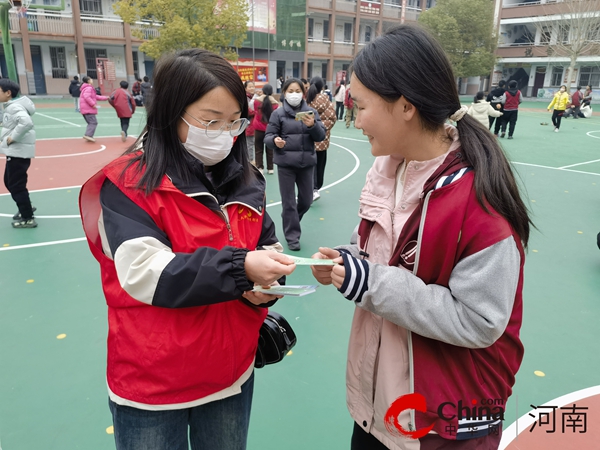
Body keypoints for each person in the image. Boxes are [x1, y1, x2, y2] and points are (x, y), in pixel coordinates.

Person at [310, 24, 530, 450]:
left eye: (362, 105)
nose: (356, 118)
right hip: (378, 409)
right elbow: (385, 257)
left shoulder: (479, 200)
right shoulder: (386, 172)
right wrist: (347, 261)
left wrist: (369, 282)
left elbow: (481, 320)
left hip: (440, 424)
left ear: (406, 106)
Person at [78, 48, 296, 450]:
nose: (224, 134)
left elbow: (265, 243)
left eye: (234, 122)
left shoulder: (245, 180)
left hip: (230, 374)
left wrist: (269, 280)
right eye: (210, 121)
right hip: (154, 384)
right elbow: (147, 273)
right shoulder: (129, 185)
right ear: (170, 114)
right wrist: (242, 268)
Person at [265, 77, 326, 251]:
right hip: (285, 164)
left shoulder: (311, 113)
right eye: (290, 91)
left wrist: (312, 125)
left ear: (303, 93)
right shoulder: (278, 114)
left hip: (306, 164)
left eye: (297, 91)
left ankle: (290, 220)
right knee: (289, 202)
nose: (294, 95)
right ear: (284, 93)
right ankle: (292, 236)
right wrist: (275, 141)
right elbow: (269, 136)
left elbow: (320, 136)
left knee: (306, 200)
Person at [0, 78, 37, 228]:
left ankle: (27, 216)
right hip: (16, 152)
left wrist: (12, 138)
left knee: (16, 185)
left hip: (18, 152)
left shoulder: (14, 108)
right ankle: (25, 207)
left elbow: (26, 123)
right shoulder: (10, 106)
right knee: (9, 182)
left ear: (8, 93)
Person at [307, 76, 337, 201]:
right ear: (322, 87)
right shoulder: (326, 100)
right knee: (320, 164)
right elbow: (332, 117)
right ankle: (316, 187)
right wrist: (322, 129)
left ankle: (311, 189)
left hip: (308, 139)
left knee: (310, 165)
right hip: (322, 140)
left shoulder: (307, 100)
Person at [252, 83, 279, 174]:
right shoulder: (275, 104)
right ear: (272, 92)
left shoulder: (257, 101)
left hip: (258, 129)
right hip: (270, 129)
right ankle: (270, 168)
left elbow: (254, 110)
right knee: (270, 149)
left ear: (262, 91)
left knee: (258, 149)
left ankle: (260, 167)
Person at [79, 76, 109, 143]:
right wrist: (93, 105)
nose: (92, 80)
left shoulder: (86, 88)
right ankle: (88, 135)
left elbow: (95, 96)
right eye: (91, 79)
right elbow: (87, 97)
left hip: (85, 109)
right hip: (88, 109)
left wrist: (106, 98)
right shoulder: (89, 88)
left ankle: (89, 135)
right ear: (88, 81)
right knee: (93, 122)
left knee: (91, 122)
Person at [244, 80, 256, 163]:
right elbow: (248, 111)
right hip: (247, 124)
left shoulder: (253, 97)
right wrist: (257, 112)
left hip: (251, 124)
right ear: (245, 88)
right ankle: (250, 161)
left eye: (253, 86)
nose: (252, 88)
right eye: (250, 87)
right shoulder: (245, 98)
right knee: (249, 144)